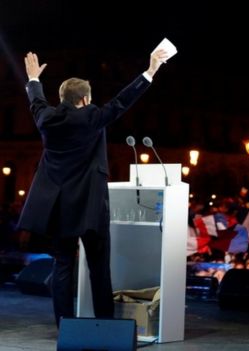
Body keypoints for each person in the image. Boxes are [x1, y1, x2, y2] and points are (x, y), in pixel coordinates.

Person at [17, 49, 168, 326]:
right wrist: (150, 71)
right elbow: (122, 101)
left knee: (62, 264)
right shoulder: (92, 117)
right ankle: (105, 324)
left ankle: (64, 323)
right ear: (85, 100)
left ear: (62, 99)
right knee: (98, 267)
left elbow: (36, 102)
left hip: (59, 208)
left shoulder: (46, 119)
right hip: (89, 206)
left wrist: (33, 80)